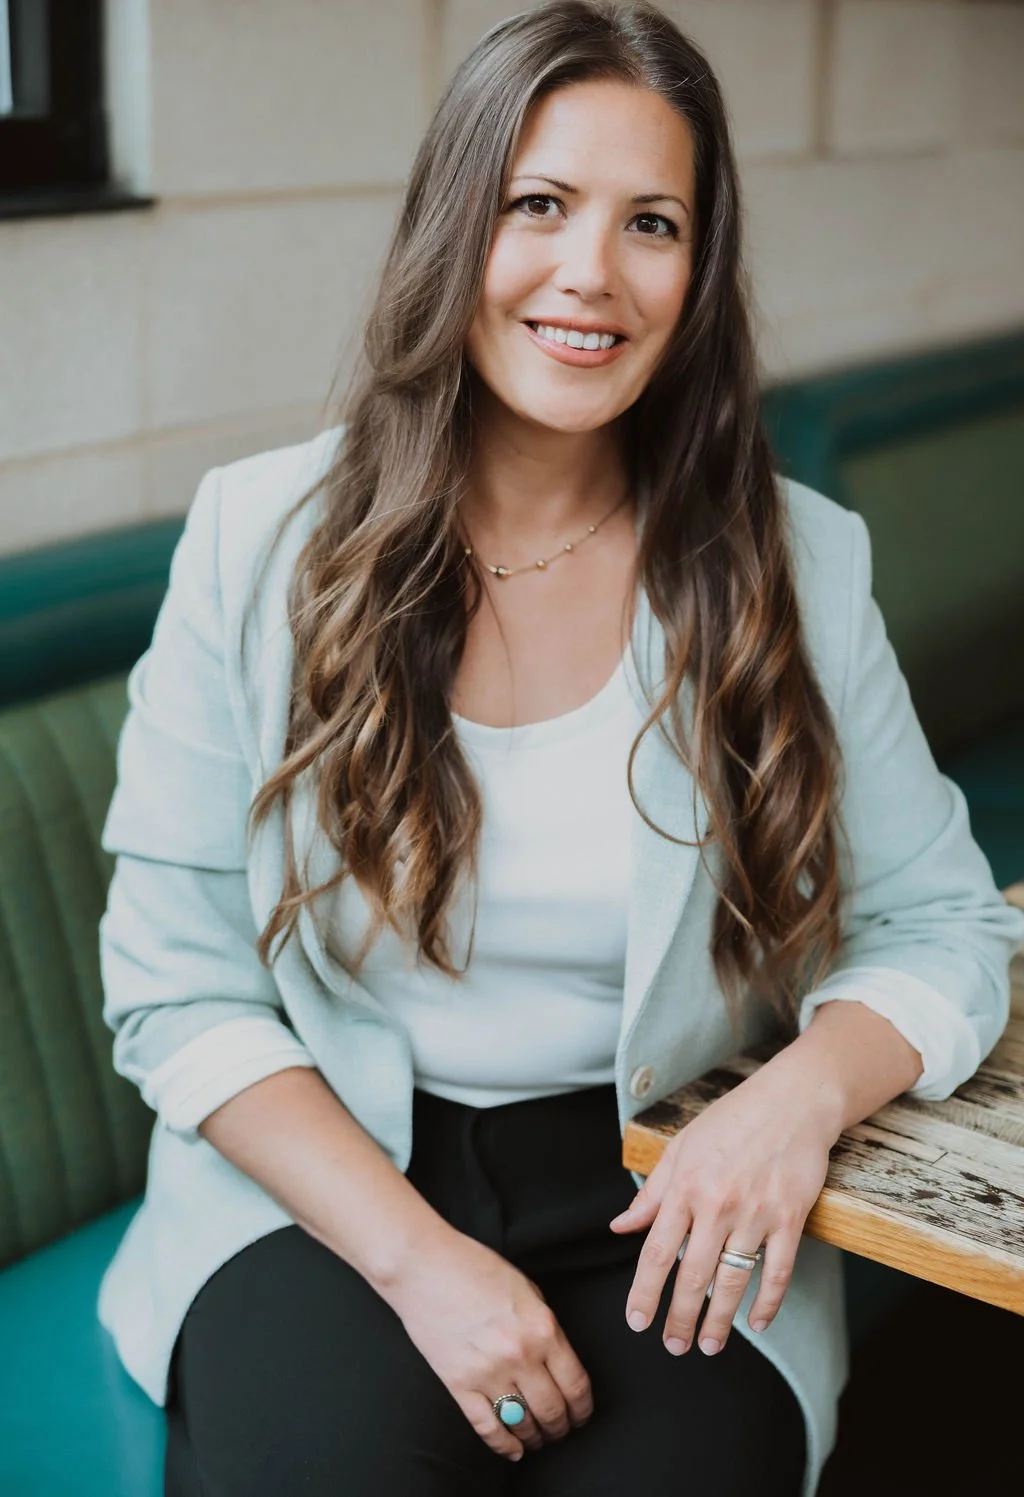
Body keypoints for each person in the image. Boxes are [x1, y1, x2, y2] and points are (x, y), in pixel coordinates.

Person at [95, 4, 1024, 1495]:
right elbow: (174, 984)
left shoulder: (796, 563)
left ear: (697, 275)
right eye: (538, 203)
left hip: (665, 1185)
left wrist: (793, 1102)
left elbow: (945, 926)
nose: (592, 270)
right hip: (329, 1191)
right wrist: (422, 1266)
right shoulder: (256, 541)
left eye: (652, 223)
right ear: (452, 228)